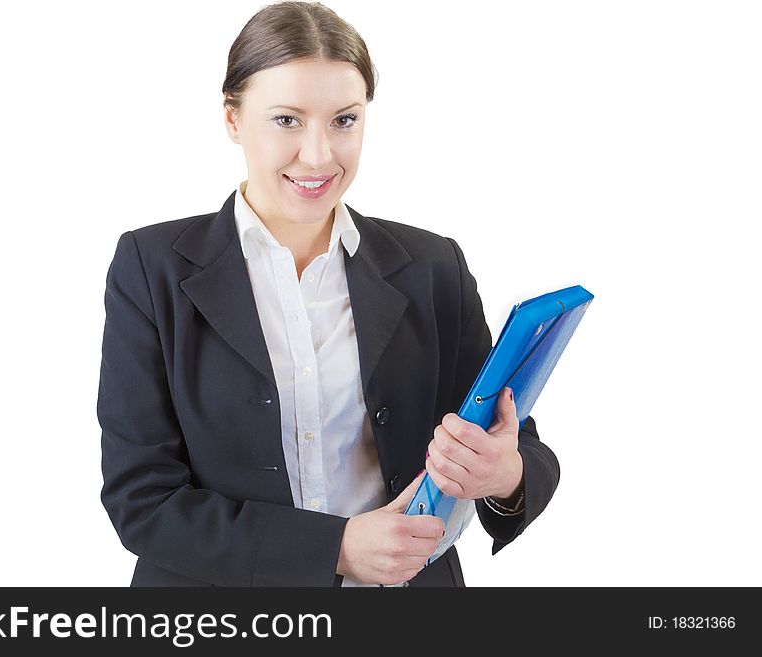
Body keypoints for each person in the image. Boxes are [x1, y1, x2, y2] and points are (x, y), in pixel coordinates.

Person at [97, 1, 560, 587]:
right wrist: (335, 550)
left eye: (344, 120)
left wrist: (505, 474)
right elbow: (143, 501)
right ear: (233, 119)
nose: (318, 155)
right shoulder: (151, 267)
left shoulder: (432, 266)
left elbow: (524, 449)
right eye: (286, 120)